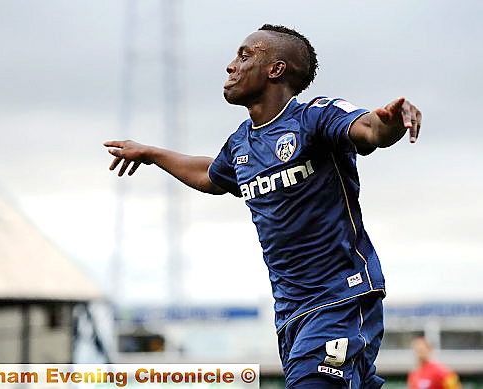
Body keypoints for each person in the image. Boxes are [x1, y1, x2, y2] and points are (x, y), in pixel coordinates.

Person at [104, 24, 422, 388]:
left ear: (276, 69)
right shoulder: (242, 144)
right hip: (291, 314)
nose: (230, 65)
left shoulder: (314, 117)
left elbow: (368, 131)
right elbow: (210, 176)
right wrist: (151, 153)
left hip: (341, 299)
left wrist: (392, 124)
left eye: (245, 55)